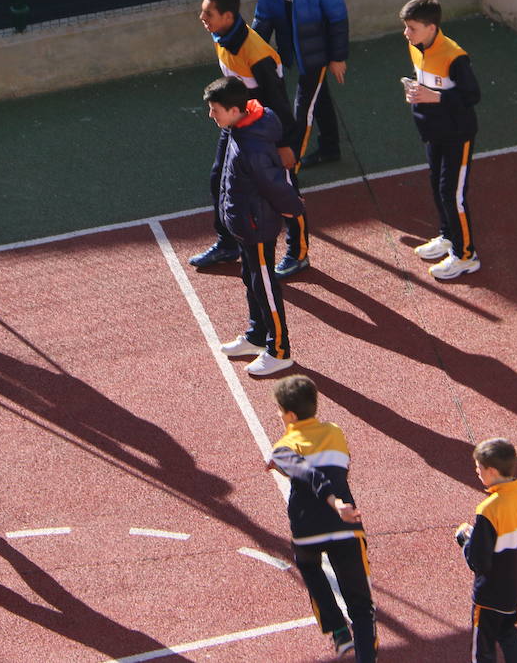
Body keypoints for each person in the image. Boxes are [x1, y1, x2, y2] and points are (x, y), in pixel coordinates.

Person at [190, 0, 312, 278]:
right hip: (237, 121)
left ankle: (298, 252)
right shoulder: (222, 36)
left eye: (208, 14)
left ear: (228, 16)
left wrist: (284, 145)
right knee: (219, 178)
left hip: (266, 127)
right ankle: (228, 243)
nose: (202, 18)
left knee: (285, 190)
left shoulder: (256, 54)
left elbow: (280, 102)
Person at [267, 375, 376, 661]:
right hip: (346, 528)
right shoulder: (335, 432)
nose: (279, 416)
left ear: (290, 415)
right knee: (362, 606)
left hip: (307, 528)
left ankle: (338, 630)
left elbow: (309, 473)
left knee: (309, 568)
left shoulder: (283, 446)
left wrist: (282, 463)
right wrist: (337, 501)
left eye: (279, 411)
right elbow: (334, 469)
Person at [203, 76, 305, 376]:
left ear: (235, 110)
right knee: (251, 278)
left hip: (256, 224)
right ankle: (257, 335)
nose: (212, 116)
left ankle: (279, 350)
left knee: (265, 285)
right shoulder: (242, 127)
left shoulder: (252, 146)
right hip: (245, 223)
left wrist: (294, 209)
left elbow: (275, 186)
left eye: (215, 110)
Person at [252, 0, 350, 171]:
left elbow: (337, 17)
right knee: (320, 97)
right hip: (293, 46)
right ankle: (330, 147)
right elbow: (264, 16)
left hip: (316, 50)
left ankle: (290, 164)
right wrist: (250, 48)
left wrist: (337, 57)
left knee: (302, 107)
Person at [399, 0, 482, 280]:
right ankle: (448, 237)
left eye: (412, 27)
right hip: (434, 132)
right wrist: (415, 91)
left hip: (458, 134)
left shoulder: (454, 56)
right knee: (437, 187)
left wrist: (434, 97)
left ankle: (466, 256)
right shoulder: (416, 47)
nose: (406, 33)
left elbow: (472, 95)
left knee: (453, 195)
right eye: (406, 27)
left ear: (431, 27)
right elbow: (426, 81)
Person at [454, 438, 517, 663]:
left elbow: (478, 562)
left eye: (479, 468)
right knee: (507, 631)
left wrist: (466, 540)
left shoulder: (488, 510)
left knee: (483, 649)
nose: (477, 472)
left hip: (490, 594)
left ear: (492, 471)